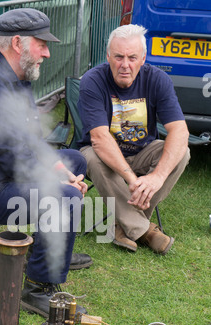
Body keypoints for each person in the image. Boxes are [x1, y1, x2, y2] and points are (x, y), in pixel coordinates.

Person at [0, 8, 92, 318]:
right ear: (18, 42)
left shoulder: (14, 74)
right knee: (66, 200)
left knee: (74, 160)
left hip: (2, 172)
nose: (47, 53)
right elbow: (11, 153)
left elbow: (28, 138)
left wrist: (60, 170)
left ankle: (48, 248)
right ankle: (36, 288)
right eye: (42, 44)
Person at [78, 24, 190, 254]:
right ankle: (144, 230)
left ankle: (124, 224)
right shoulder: (93, 80)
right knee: (91, 156)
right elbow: (99, 138)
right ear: (108, 56)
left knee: (182, 152)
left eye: (132, 57)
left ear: (143, 58)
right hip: (104, 154)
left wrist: (157, 177)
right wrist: (131, 178)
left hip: (142, 151)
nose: (125, 65)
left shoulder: (158, 80)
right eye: (118, 57)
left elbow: (180, 131)